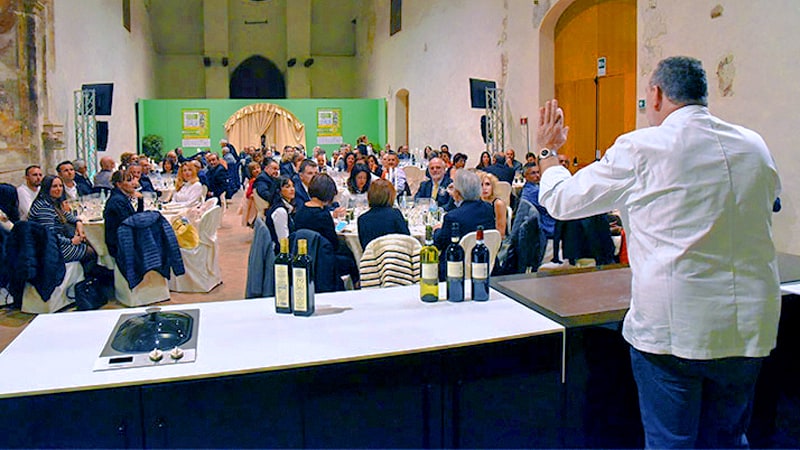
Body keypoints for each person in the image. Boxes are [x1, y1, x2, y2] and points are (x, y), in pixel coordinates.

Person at [536, 56, 781, 449]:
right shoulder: (753, 145)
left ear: (656, 94)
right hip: (748, 326)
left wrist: (548, 154)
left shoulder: (643, 146)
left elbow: (561, 202)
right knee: (728, 440)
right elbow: (771, 203)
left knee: (672, 443)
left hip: (675, 329)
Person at [294, 173, 358, 284]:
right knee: (351, 257)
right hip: (323, 259)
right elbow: (334, 244)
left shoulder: (300, 211)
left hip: (304, 255)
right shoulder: (323, 215)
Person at [433, 170, 495, 278]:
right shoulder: (488, 208)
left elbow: (440, 243)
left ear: (457, 192)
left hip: (456, 267)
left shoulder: (452, 217)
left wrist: (437, 230)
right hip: (483, 263)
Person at [28, 175, 96, 267]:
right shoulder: (43, 207)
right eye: (54, 186)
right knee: (93, 251)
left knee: (91, 243)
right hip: (53, 249)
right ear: (46, 188)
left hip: (57, 243)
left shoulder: (51, 202)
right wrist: (71, 241)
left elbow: (65, 215)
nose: (59, 189)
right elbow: (49, 234)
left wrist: (78, 222)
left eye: (60, 186)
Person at [357, 179, 410, 250]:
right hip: (395, 257)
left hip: (371, 259)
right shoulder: (395, 214)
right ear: (390, 196)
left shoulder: (362, 219)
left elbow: (365, 247)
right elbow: (407, 240)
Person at [103, 169, 144, 260]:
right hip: (120, 244)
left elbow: (136, 218)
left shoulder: (122, 197)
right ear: (119, 184)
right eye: (129, 180)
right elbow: (131, 222)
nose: (134, 183)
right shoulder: (117, 201)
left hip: (125, 238)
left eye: (133, 179)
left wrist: (140, 200)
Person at [520, 163, 556, 253]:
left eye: (538, 172)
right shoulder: (535, 192)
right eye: (533, 173)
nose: (537, 175)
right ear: (525, 176)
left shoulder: (527, 189)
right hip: (547, 226)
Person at [265, 176, 296, 248]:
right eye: (287, 187)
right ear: (279, 191)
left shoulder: (286, 206)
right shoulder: (280, 211)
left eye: (293, 186)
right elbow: (283, 241)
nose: (292, 189)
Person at [479, 171, 507, 239]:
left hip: (492, 239)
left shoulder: (498, 204)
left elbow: (501, 232)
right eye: (481, 185)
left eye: (487, 184)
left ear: (493, 186)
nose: (484, 188)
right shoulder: (477, 201)